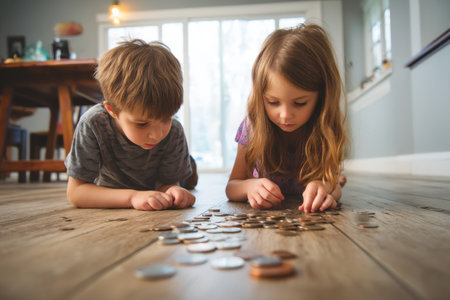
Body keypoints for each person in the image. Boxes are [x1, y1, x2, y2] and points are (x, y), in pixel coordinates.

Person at [225, 23, 347, 213]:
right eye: (273, 102)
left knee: (337, 178)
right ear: (261, 96)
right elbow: (232, 186)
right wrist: (249, 186)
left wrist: (326, 187)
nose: (285, 115)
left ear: (321, 98)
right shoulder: (252, 127)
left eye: (300, 103)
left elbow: (333, 187)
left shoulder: (324, 127)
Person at [65, 39, 197, 211]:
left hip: (161, 175)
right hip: (113, 187)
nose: (157, 134)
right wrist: (133, 197)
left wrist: (172, 189)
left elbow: (166, 184)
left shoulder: (174, 130)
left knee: (190, 179)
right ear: (112, 110)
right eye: (142, 124)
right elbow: (76, 193)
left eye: (166, 118)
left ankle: (190, 165)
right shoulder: (93, 124)